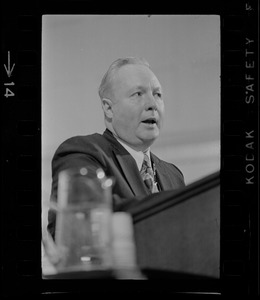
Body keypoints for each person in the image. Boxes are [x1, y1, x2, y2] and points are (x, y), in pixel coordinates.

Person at [47, 57, 185, 239]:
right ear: (108, 108)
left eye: (157, 94)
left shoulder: (173, 175)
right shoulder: (83, 152)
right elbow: (83, 221)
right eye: (138, 94)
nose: (153, 105)